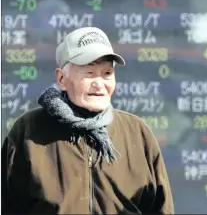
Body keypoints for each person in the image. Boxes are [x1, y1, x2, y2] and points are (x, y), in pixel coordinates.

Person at [2, 27, 174, 214]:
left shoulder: (137, 133)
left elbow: (161, 208)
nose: (99, 84)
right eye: (89, 73)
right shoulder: (29, 132)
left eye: (107, 73)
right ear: (61, 78)